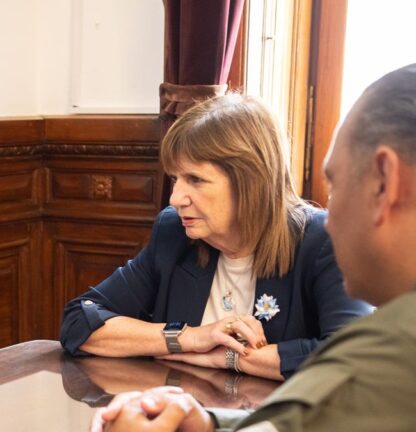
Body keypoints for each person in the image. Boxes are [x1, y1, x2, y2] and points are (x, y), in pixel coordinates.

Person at [91, 63, 416, 432]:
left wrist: (229, 359)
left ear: (386, 183)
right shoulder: (174, 233)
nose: (330, 213)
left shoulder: (394, 345)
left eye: (335, 185)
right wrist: (209, 420)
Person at [60, 93, 371, 381]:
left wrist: (230, 358)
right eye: (175, 179)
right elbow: (80, 322)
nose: (175, 198)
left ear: (250, 182)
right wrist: (189, 338)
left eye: (195, 179)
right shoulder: (175, 234)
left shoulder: (323, 241)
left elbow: (353, 362)